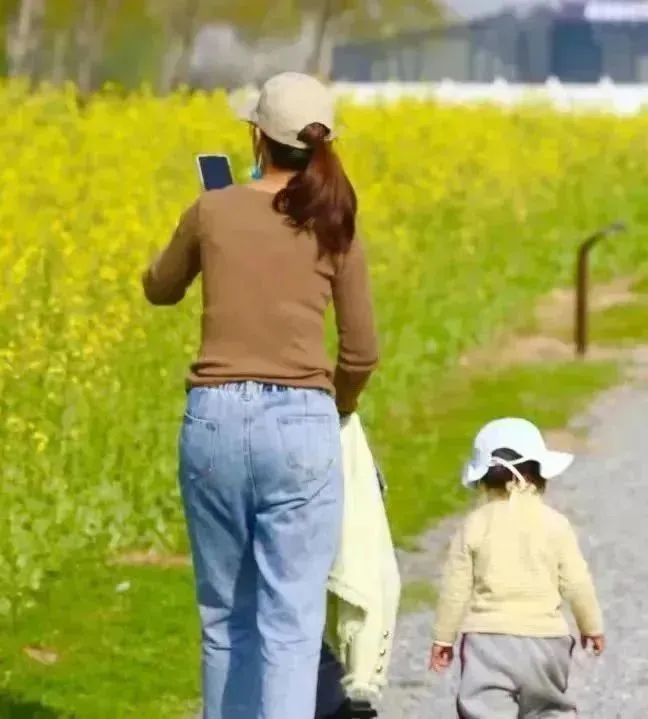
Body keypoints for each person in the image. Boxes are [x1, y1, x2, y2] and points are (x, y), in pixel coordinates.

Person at [143, 72, 379, 719]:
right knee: (291, 626)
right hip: (302, 422)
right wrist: (338, 407)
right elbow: (360, 351)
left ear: (256, 136)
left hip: (215, 420)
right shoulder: (337, 219)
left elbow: (160, 287)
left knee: (225, 619)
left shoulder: (213, 209)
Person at [429, 418, 605, 718]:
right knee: (549, 708)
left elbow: (455, 589)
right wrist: (592, 626)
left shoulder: (474, 525)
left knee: (485, 711)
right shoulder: (555, 524)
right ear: (539, 474)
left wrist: (443, 637)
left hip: (488, 643)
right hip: (547, 642)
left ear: (483, 479)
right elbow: (577, 582)